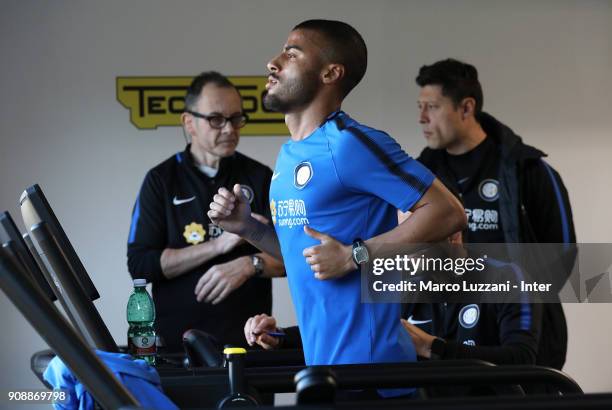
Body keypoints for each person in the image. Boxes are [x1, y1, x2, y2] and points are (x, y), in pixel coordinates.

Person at [208, 19, 466, 384]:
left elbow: (447, 211)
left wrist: (354, 255)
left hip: (374, 376)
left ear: (331, 73)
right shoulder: (288, 157)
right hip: (324, 370)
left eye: (292, 53)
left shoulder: (349, 143)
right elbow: (305, 257)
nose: (273, 62)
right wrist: (248, 228)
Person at [414, 58, 576, 370]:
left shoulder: (529, 170)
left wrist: (514, 311)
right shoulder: (421, 177)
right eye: (419, 106)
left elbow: (562, 255)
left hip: (519, 339)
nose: (421, 118)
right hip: (442, 340)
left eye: (431, 107)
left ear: (466, 108)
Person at [127, 71, 284, 351]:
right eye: (216, 119)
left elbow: (294, 258)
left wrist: (249, 265)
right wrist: (219, 246)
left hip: (249, 346)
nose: (229, 129)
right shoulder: (161, 180)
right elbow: (141, 265)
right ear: (190, 123)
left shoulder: (259, 177)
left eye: (236, 118)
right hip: (178, 350)